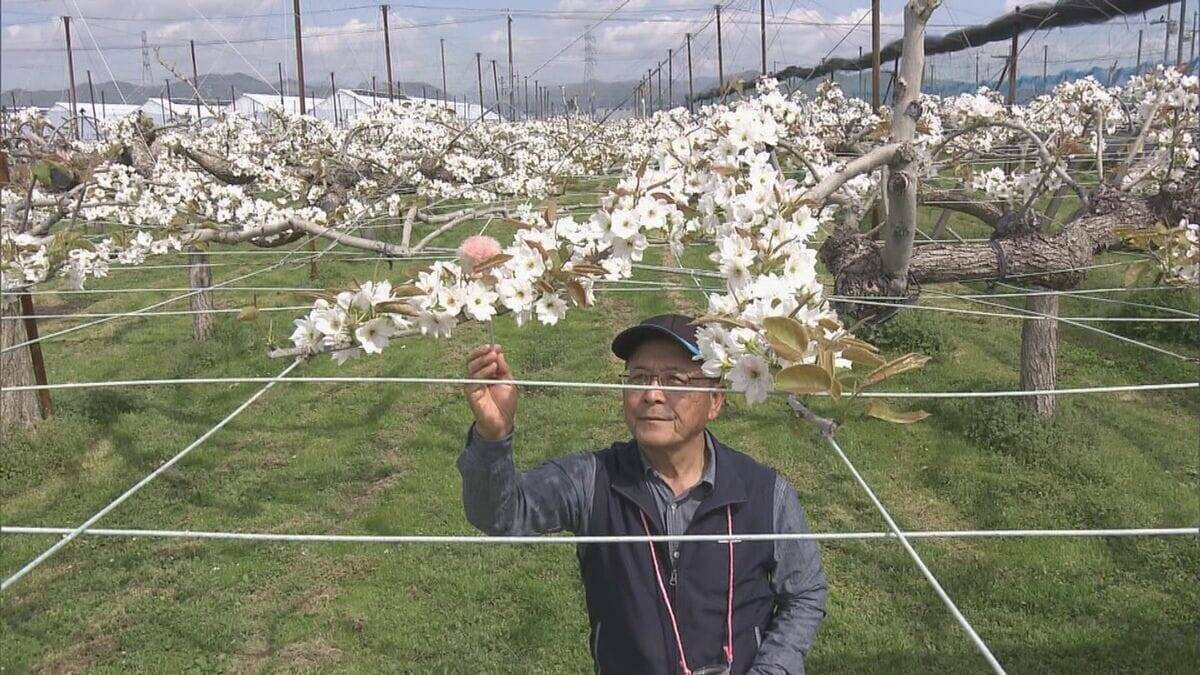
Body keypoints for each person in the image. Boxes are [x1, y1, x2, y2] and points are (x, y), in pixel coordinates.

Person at [459, 313, 827, 674]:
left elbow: (804, 593)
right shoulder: (592, 480)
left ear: (715, 400)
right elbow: (502, 515)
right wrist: (493, 436)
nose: (652, 394)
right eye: (639, 378)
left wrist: (774, 668)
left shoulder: (764, 492)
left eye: (674, 380)